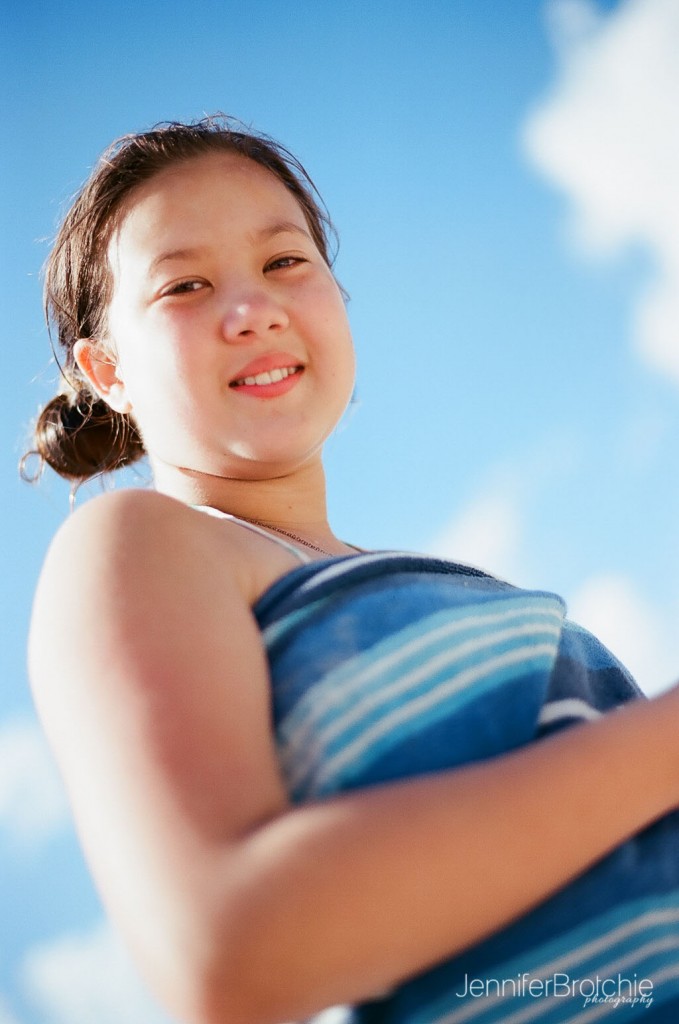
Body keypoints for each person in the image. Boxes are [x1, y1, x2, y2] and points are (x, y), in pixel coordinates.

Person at [26, 116, 679, 1024]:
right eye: (184, 284)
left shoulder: (454, 587)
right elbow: (229, 951)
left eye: (285, 261)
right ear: (109, 373)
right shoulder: (138, 543)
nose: (252, 306)